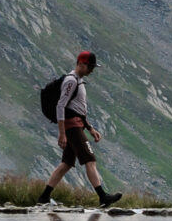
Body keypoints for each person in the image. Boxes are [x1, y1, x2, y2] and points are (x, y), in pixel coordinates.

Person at [39, 49, 122, 208]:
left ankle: (44, 197)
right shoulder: (71, 81)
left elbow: (78, 109)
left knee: (66, 164)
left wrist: (90, 128)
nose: (91, 70)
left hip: (77, 126)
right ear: (81, 64)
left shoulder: (79, 81)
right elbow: (61, 105)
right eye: (90, 67)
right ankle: (103, 196)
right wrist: (62, 133)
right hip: (72, 128)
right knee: (90, 159)